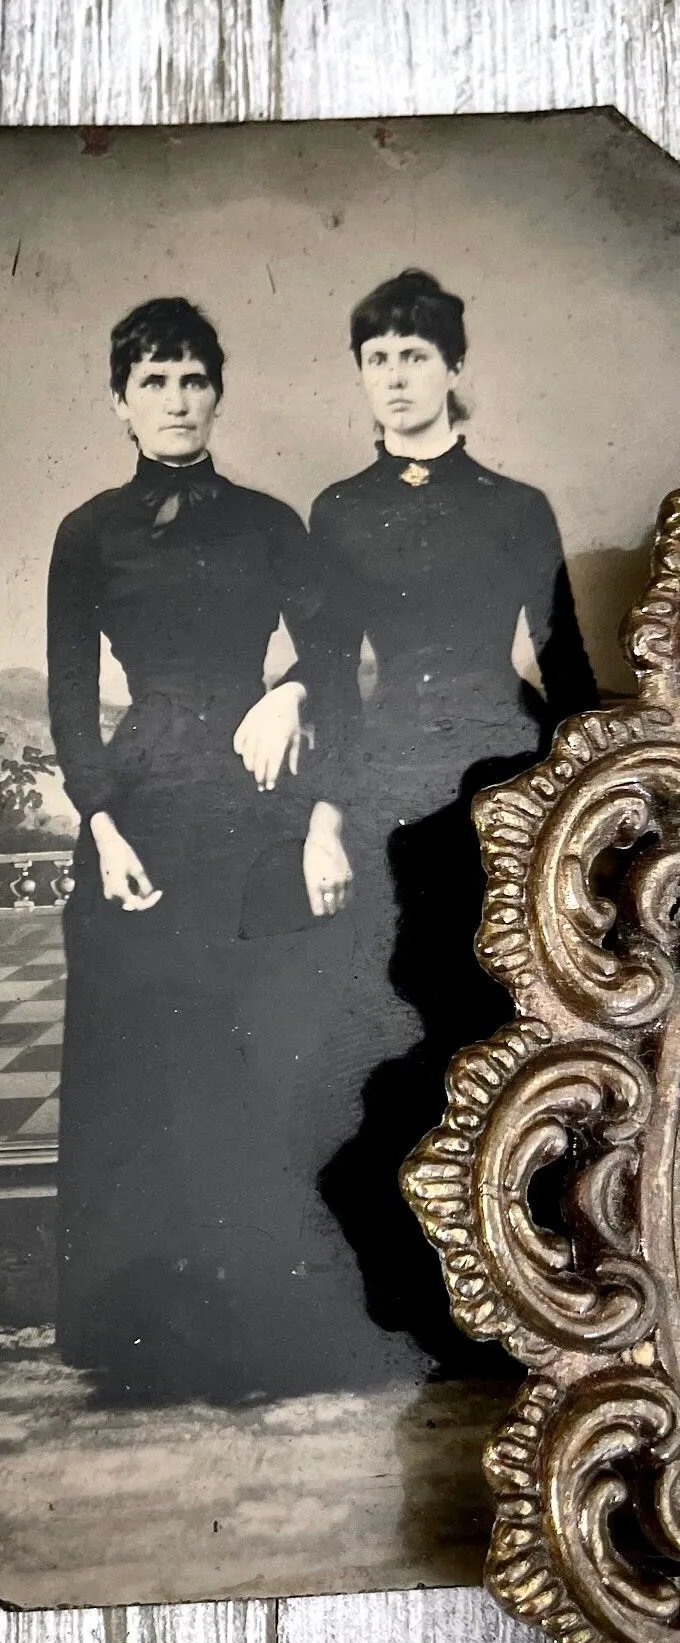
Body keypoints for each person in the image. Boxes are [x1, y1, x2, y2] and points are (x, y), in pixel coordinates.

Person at [48, 297, 379, 1406]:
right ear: (117, 402)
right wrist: (97, 825)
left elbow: (336, 647)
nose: (175, 400)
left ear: (216, 392)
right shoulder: (86, 531)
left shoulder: (269, 522)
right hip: (136, 814)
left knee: (257, 1057)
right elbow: (64, 697)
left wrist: (286, 692)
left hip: (254, 811)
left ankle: (257, 1338)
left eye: (191, 379)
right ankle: (147, 1338)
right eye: (152, 382)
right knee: (145, 1058)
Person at [311, 270, 600, 1373]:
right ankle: (421, 1305)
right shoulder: (337, 510)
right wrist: (324, 814)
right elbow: (333, 679)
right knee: (396, 1031)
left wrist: (586, 813)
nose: (393, 378)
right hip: (388, 790)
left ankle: (522, 1294)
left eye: (413, 356)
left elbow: (563, 665)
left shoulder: (514, 505)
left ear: (453, 369)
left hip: (501, 789)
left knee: (495, 1029)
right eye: (375, 358)